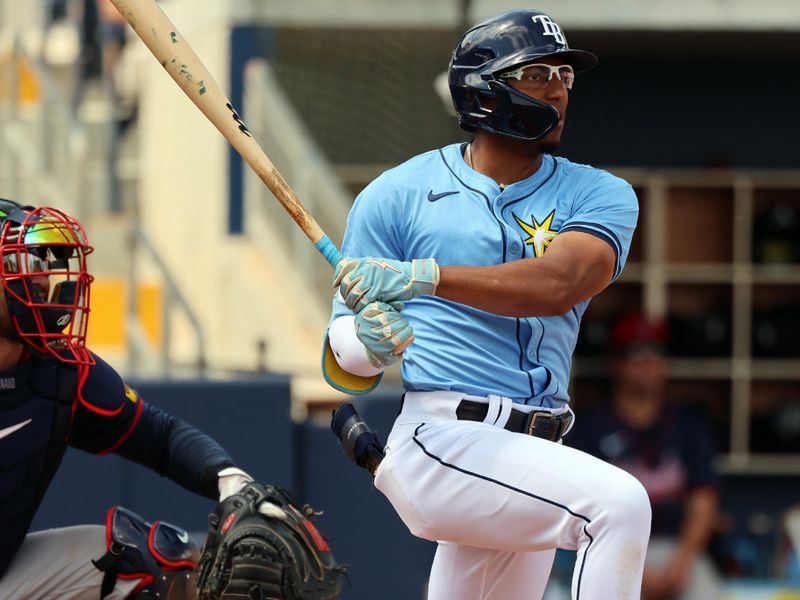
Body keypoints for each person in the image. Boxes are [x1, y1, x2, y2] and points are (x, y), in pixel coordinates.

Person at [322, 9, 651, 600]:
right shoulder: (396, 194)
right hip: (444, 438)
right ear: (484, 87)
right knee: (618, 505)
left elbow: (562, 281)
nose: (556, 88)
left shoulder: (600, 192)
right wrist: (368, 344)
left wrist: (427, 278)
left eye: (564, 75)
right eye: (535, 73)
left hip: (532, 451)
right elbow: (342, 353)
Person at [0, 200, 340, 600]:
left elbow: (159, 436)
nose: (42, 283)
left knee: (155, 565)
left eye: (43, 266)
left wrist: (232, 483)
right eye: (25, 267)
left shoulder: (62, 372)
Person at [567, 314, 723, 600]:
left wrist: (684, 560)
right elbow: (576, 509)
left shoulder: (687, 425)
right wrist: (633, 568)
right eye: (635, 352)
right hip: (610, 548)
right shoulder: (590, 428)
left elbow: (704, 498)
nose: (648, 361)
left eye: (656, 351)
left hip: (676, 552)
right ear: (616, 362)